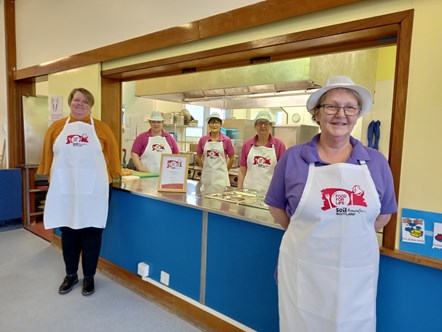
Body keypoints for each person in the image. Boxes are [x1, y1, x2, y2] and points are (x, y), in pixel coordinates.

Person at [264, 76, 397, 332]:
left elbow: (384, 215)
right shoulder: (293, 158)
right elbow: (277, 207)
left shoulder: (376, 162)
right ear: (317, 113)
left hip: (355, 277)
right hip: (304, 271)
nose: (341, 114)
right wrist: (304, 232)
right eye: (332, 106)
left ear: (358, 114)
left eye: (350, 107)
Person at [37, 88, 122, 296]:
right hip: (66, 187)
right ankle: (71, 275)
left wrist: (115, 174)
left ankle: (89, 277)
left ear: (91, 106)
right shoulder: (56, 128)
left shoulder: (102, 129)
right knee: (69, 232)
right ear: (70, 103)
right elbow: (47, 156)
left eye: (85, 101)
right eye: (76, 100)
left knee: (92, 233)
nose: (80, 104)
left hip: (94, 188)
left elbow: (112, 158)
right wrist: (46, 176)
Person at [237, 111, 286, 193]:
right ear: (255, 126)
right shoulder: (247, 145)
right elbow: (242, 170)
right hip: (248, 191)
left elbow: (283, 172)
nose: (263, 126)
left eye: (266, 123)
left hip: (270, 192)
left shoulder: (279, 146)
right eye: (259, 123)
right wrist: (239, 190)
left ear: (271, 126)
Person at [196, 112, 235, 191]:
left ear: (221, 124)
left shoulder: (226, 140)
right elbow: (198, 156)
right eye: (212, 122)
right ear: (209, 124)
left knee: (220, 202)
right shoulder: (203, 139)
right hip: (207, 178)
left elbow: (232, 158)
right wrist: (205, 168)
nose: (214, 125)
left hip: (221, 179)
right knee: (205, 201)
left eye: (216, 122)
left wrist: (224, 170)